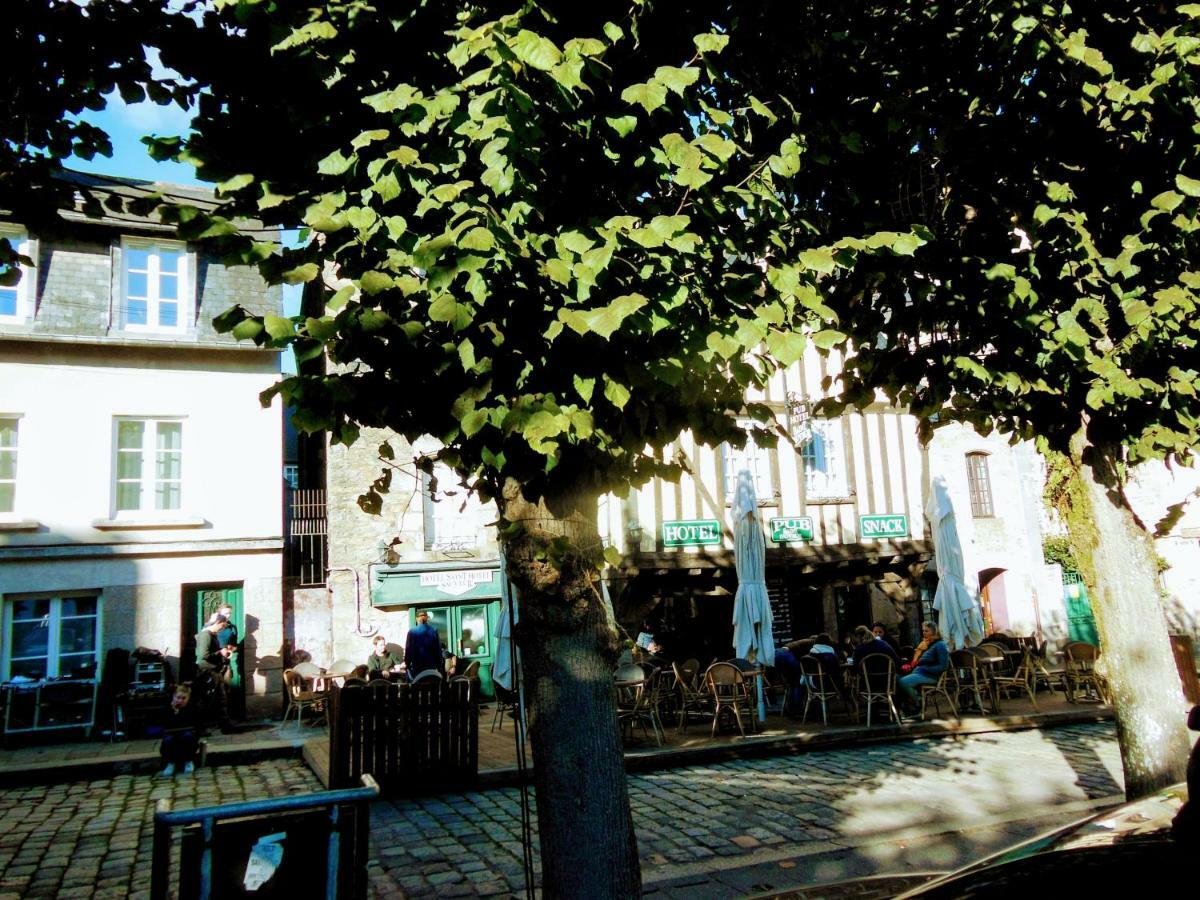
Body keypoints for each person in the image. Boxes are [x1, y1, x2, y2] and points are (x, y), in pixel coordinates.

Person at [898, 621, 950, 715]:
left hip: (930, 676)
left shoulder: (940, 645)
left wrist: (926, 669)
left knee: (902, 682)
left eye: (927, 631)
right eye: (923, 631)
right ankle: (908, 707)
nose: (924, 633)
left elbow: (944, 666)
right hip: (920, 672)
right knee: (896, 678)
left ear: (934, 632)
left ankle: (917, 702)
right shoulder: (927, 644)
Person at [194, 615, 233, 730]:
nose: (222, 628)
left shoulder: (212, 635)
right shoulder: (205, 635)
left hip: (214, 670)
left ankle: (225, 725)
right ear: (217, 622)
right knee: (206, 700)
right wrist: (220, 652)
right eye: (222, 625)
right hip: (207, 671)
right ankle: (199, 727)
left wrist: (223, 653)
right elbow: (203, 655)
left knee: (221, 698)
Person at [158, 683, 201, 777]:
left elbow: (194, 724)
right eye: (178, 697)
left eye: (183, 698)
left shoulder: (191, 708)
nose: (180, 700)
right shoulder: (167, 709)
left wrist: (180, 714)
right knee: (168, 740)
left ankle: (188, 761)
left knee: (187, 736)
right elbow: (165, 725)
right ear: (174, 697)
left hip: (187, 733)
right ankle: (170, 763)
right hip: (171, 734)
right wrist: (174, 712)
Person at [405, 610, 446, 680]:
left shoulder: (412, 632)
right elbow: (438, 649)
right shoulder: (433, 630)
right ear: (427, 618)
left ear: (416, 619)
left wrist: (407, 664)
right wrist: (439, 665)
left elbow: (408, 650)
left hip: (417, 668)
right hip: (431, 668)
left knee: (418, 688)